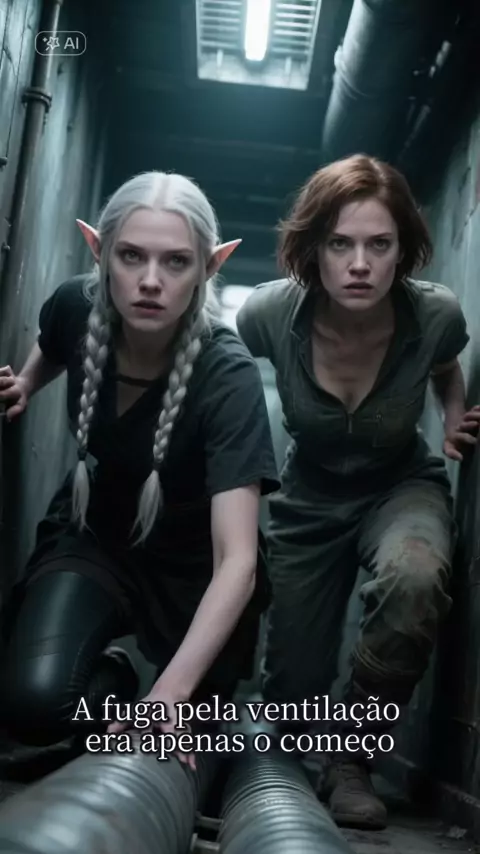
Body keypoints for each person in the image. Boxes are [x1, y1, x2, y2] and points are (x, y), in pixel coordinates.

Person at [0, 170, 279, 766]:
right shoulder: (77, 304)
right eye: (131, 256)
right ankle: (113, 679)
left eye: (176, 261)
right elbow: (55, 342)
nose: (150, 281)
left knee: (189, 747)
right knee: (33, 706)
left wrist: (169, 697)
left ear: (211, 264)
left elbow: (237, 561)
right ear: (98, 250)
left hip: (197, 565)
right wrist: (24, 383)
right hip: (99, 530)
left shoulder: (228, 376)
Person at [235, 153, 480, 827]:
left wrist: (454, 416)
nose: (360, 264)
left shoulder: (435, 314)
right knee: (292, 695)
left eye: (380, 244)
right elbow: (218, 377)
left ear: (404, 250)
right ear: (314, 247)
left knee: (415, 576)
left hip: (400, 484)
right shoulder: (266, 314)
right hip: (307, 498)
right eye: (341, 244)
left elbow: (444, 363)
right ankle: (287, 758)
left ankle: (351, 758)